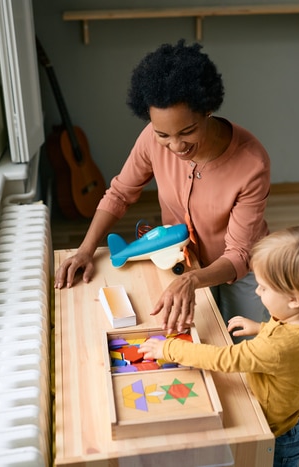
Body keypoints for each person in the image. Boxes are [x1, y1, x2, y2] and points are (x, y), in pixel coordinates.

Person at [54, 40, 271, 336]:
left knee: (244, 344)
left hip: (242, 267)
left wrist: (193, 281)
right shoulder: (149, 139)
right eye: (163, 134)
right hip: (181, 258)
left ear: (207, 109)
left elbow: (238, 255)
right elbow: (120, 193)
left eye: (187, 131)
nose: (176, 146)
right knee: (198, 340)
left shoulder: (251, 162)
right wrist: (85, 249)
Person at [140, 225, 299, 467]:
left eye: (264, 287)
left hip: (278, 433)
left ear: (294, 299)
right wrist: (261, 328)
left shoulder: (276, 349)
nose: (257, 292)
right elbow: (292, 341)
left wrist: (167, 349)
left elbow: (223, 358)